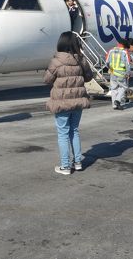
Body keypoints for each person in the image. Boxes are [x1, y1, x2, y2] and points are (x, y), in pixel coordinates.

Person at [44, 32, 93, 175]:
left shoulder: (56, 61)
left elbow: (47, 80)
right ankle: (77, 162)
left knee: (63, 134)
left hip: (62, 102)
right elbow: (89, 77)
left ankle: (65, 166)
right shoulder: (81, 60)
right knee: (74, 131)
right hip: (78, 101)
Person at [105, 39, 131, 110]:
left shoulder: (111, 51)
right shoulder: (125, 52)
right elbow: (128, 64)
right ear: (124, 44)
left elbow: (106, 62)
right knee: (123, 87)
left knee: (114, 89)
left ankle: (114, 105)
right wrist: (128, 73)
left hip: (113, 73)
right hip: (121, 73)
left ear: (118, 43)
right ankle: (118, 100)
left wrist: (110, 69)